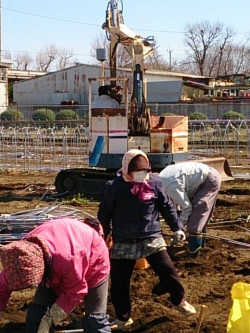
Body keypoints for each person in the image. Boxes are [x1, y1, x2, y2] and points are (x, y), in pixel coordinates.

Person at [97, 149, 196, 331]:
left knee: (167, 270)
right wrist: (103, 234)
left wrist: (177, 228)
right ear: (127, 169)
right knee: (119, 281)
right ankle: (123, 317)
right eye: (137, 172)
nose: (142, 176)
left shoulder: (156, 183)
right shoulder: (114, 187)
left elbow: (167, 207)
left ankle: (178, 300)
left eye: (145, 172)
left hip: (150, 236)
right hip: (124, 239)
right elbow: (105, 212)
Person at [0, 217, 111, 333]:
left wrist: (51, 316)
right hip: (56, 265)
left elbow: (75, 292)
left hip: (94, 261)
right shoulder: (19, 258)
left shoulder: (69, 259)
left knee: (94, 322)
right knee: (36, 316)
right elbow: (1, 287)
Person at [159, 162, 221, 259]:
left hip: (209, 180)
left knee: (198, 212)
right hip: (200, 177)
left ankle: (193, 253)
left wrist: (179, 228)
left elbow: (187, 208)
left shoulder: (169, 187)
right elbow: (175, 206)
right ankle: (200, 244)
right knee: (197, 215)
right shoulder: (161, 181)